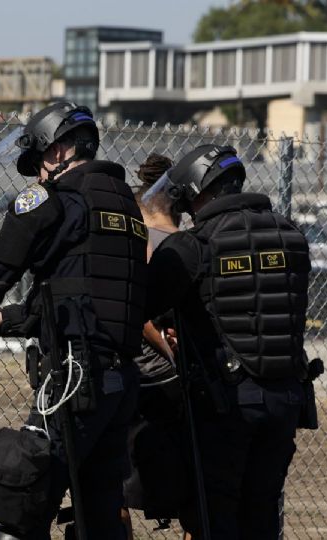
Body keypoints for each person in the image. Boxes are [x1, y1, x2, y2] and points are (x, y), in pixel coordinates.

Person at [0, 101, 147, 539]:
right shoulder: (124, 208)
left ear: (58, 150)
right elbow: (67, 301)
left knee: (20, 503)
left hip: (75, 378)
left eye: (38, 161)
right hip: (120, 383)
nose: (36, 175)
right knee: (100, 514)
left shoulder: (52, 201)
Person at [143, 144, 312, 538]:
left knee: (215, 515)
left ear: (196, 189)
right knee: (262, 510)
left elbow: (146, 304)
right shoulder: (292, 235)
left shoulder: (194, 245)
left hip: (227, 404)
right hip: (287, 397)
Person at [120, 154, 187, 535]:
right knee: (192, 492)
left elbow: (140, 312)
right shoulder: (188, 244)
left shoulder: (137, 241)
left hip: (138, 378)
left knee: (114, 488)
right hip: (176, 382)